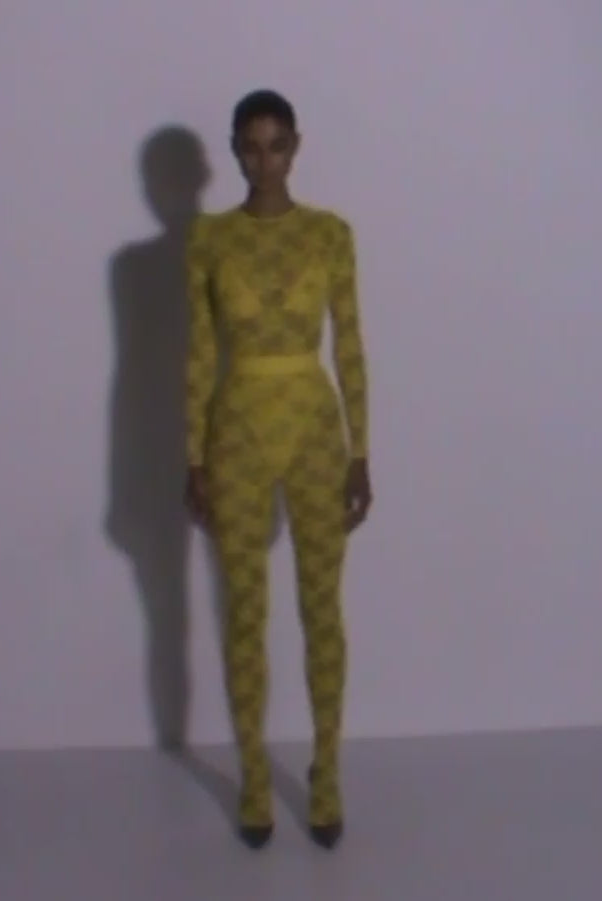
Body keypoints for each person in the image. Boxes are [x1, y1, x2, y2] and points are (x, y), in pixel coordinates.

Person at [184, 89, 372, 851]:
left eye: (276, 144)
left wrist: (361, 451)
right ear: (235, 151)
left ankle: (326, 777)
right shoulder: (209, 239)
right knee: (245, 610)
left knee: (321, 606)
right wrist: (193, 458)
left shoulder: (330, 233)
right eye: (250, 146)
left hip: (316, 431)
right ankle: (255, 782)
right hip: (236, 431)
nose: (264, 160)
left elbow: (350, 344)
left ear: (296, 146)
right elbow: (200, 355)